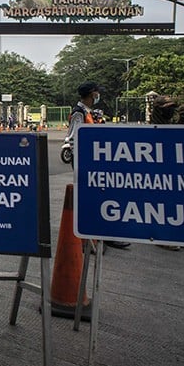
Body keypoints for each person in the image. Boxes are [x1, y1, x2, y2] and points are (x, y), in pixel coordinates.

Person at [67, 82, 130, 250]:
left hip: (92, 161)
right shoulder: (78, 113)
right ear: (91, 94)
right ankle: (89, 239)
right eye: (96, 93)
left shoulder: (89, 113)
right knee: (89, 199)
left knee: (100, 198)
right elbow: (73, 138)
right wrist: (82, 160)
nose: (98, 96)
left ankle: (102, 236)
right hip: (84, 161)